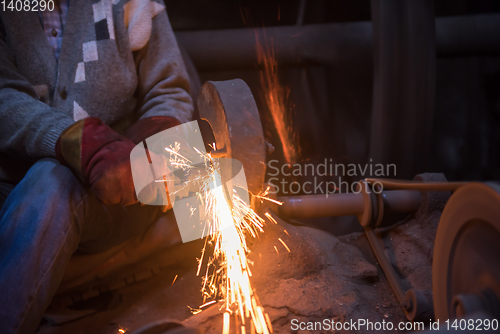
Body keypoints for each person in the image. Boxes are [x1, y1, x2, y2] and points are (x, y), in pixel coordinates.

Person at [0, 0, 195, 332]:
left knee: (53, 182)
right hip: (12, 191)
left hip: (112, 200)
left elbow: (170, 91)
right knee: (51, 179)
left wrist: (141, 146)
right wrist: (83, 143)